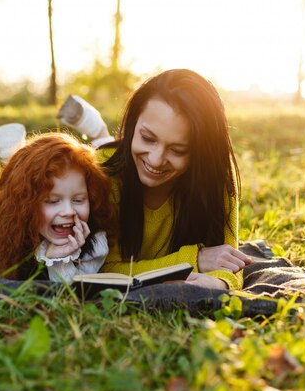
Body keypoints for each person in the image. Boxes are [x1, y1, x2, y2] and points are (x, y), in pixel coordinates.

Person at [58, 69, 251, 290]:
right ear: (131, 126)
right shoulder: (103, 173)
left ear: (200, 153)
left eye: (178, 150)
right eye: (147, 138)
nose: (156, 160)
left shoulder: (216, 179)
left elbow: (230, 264)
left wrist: (220, 282)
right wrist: (194, 260)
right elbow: (103, 269)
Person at [0, 132, 117, 282]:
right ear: (26, 205)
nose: (69, 212)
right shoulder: (0, 232)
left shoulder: (95, 243)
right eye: (53, 201)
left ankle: (9, 157)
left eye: (78, 200)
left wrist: (58, 260)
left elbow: (70, 296)